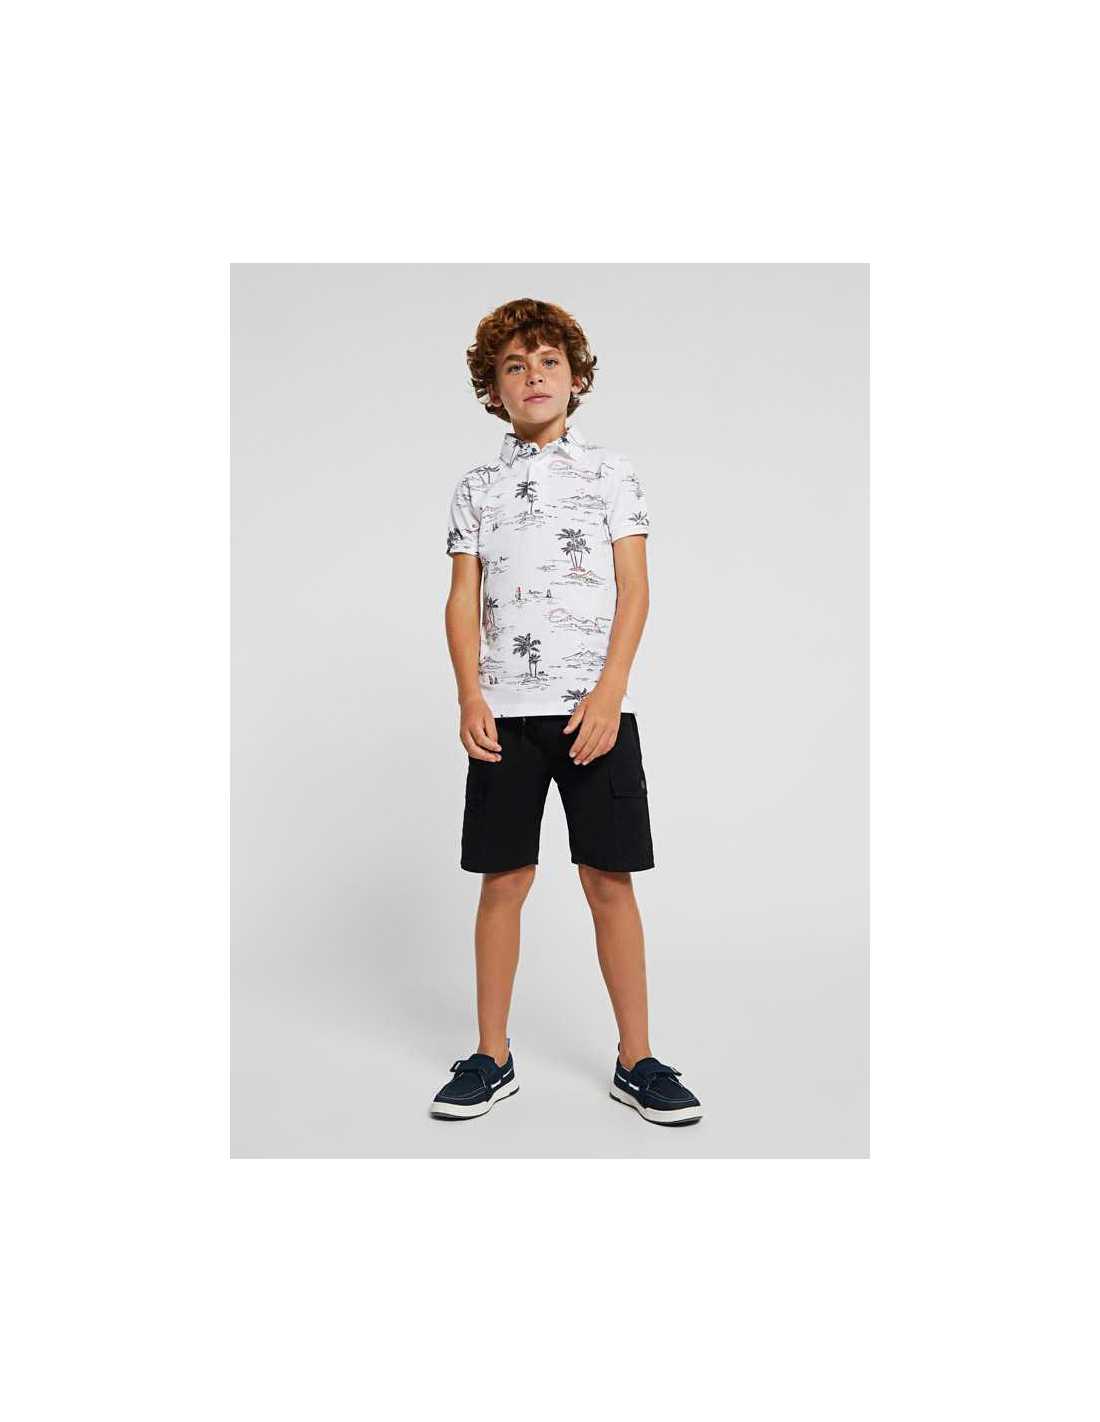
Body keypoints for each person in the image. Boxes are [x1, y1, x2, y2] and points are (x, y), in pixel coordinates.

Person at [433, 298, 702, 1126]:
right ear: (494, 391)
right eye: (515, 366)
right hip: (505, 717)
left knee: (609, 882)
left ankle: (637, 1059)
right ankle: (491, 1055)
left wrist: (611, 691)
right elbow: (462, 599)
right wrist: (470, 693)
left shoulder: (610, 473)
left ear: (577, 378)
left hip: (595, 715)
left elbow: (635, 588)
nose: (533, 376)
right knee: (503, 882)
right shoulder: (476, 488)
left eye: (548, 361)